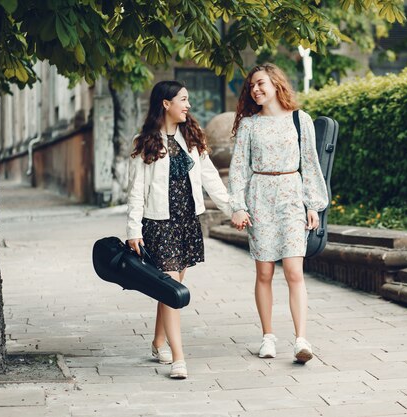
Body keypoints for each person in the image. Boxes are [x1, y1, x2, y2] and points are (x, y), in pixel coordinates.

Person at [126, 80, 231, 379]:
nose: (188, 105)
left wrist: (233, 208)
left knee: (168, 289)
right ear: (165, 103)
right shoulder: (144, 142)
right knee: (173, 288)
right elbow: (136, 191)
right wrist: (134, 230)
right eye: (183, 100)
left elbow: (210, 178)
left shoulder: (192, 138)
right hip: (159, 224)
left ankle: (158, 342)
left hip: (187, 223)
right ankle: (179, 359)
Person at [228, 64, 328, 364]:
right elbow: (238, 169)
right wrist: (238, 206)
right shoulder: (249, 125)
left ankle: (301, 340)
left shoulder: (300, 119)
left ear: (275, 83)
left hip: (291, 196)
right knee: (265, 272)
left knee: (295, 272)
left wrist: (313, 206)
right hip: (260, 196)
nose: (255, 90)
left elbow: (310, 164)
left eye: (260, 83)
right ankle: (268, 337)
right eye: (251, 87)